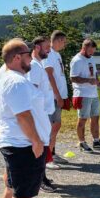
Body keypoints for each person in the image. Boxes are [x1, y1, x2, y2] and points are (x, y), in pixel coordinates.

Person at [0, 39, 51, 198]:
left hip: (14, 142)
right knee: (23, 194)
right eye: (28, 54)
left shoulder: (7, 76)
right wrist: (36, 141)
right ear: (17, 57)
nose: (31, 58)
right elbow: (23, 116)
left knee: (12, 188)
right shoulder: (16, 82)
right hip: (23, 145)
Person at [27, 36, 58, 192]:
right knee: (41, 148)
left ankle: (42, 177)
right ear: (37, 47)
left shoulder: (39, 65)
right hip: (39, 114)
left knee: (45, 146)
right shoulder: (33, 66)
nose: (49, 50)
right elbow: (32, 91)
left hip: (44, 113)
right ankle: (40, 180)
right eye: (47, 47)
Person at [70, 38, 100, 152]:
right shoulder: (77, 60)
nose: (92, 53)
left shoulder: (91, 59)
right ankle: (82, 142)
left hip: (93, 93)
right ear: (84, 48)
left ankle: (96, 141)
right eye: (90, 51)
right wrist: (88, 81)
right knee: (82, 119)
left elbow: (95, 74)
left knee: (95, 118)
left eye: (93, 51)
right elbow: (73, 78)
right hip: (82, 94)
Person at [43, 30, 68, 168]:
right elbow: (49, 75)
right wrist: (57, 95)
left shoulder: (57, 55)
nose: (64, 44)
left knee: (56, 125)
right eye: (63, 41)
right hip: (52, 96)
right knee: (51, 126)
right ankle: (47, 158)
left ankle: (51, 153)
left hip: (58, 96)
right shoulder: (49, 54)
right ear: (57, 40)